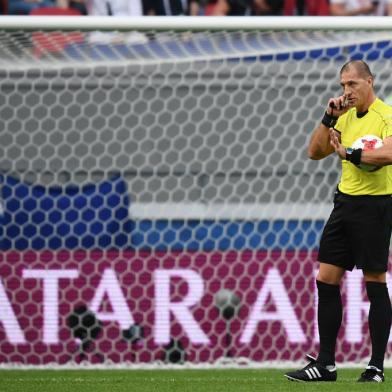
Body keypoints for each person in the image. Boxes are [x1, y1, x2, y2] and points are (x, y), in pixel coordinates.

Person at [285, 60, 392, 383]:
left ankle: (375, 366)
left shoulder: (386, 115)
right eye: (343, 85)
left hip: (376, 206)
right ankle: (326, 364)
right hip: (344, 203)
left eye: (353, 84)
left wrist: (352, 155)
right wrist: (328, 117)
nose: (347, 91)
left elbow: (388, 154)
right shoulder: (342, 116)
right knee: (326, 279)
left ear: (369, 82)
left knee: (374, 280)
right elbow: (315, 152)